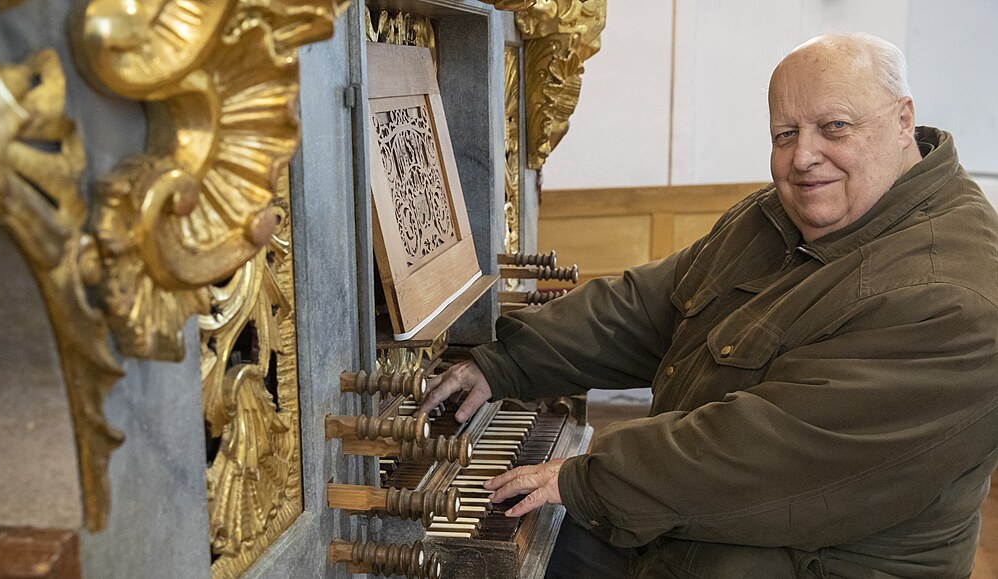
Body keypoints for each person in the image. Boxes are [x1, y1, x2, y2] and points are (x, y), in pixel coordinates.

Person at [418, 33, 998, 578]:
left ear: (903, 121)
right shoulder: (782, 214)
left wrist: (590, 479)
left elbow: (764, 453)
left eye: (835, 128)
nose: (803, 158)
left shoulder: (952, 299)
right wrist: (499, 363)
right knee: (456, 531)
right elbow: (646, 309)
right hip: (693, 534)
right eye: (785, 134)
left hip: (797, 558)